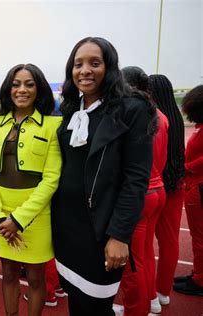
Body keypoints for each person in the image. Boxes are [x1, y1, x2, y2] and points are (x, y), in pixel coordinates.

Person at [51, 37, 155, 316]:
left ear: (109, 67)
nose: (84, 70)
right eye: (78, 64)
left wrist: (119, 235)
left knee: (96, 307)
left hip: (100, 230)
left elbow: (136, 179)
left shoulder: (132, 108)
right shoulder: (73, 110)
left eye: (94, 63)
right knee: (76, 299)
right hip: (66, 227)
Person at [0, 63, 62, 316]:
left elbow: (51, 178)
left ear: (38, 89)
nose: (22, 89)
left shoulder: (53, 125)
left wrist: (19, 219)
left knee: (36, 277)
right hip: (1, 216)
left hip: (36, 216)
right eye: (16, 84)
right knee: (7, 273)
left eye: (29, 84)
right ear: (8, 89)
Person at [117, 66, 167, 316]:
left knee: (132, 262)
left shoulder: (134, 114)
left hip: (141, 193)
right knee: (146, 253)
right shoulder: (160, 115)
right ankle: (151, 301)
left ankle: (139, 307)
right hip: (157, 189)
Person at [148, 74, 186, 306]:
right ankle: (163, 292)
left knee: (143, 246)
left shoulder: (154, 119)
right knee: (169, 241)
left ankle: (150, 295)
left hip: (154, 187)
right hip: (174, 185)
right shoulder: (176, 118)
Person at [173, 84, 203, 296]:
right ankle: (198, 274)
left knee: (199, 237)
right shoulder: (201, 127)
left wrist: (186, 168)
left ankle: (200, 281)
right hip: (194, 185)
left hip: (198, 187)